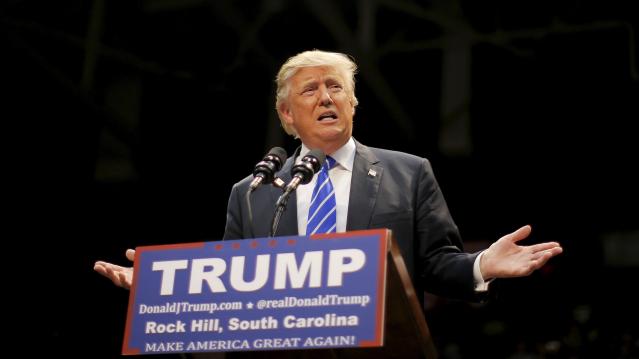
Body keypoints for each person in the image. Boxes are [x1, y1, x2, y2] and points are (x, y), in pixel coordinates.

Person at [95, 49, 562, 304]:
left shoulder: (408, 172)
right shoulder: (253, 191)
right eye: (310, 90)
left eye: (336, 87)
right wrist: (159, 286)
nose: (325, 98)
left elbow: (436, 265)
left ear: (353, 104)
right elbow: (231, 280)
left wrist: (480, 264)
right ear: (286, 114)